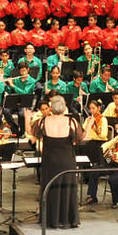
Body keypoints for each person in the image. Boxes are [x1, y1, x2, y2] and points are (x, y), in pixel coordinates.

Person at [29, 95, 82, 228]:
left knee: (50, 188)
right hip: (67, 161)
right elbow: (78, 139)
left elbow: (32, 134)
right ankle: (69, 220)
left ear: (51, 108)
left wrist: (26, 118)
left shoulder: (42, 121)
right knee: (68, 188)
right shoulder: (72, 122)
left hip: (50, 161)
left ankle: (51, 219)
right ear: (64, 108)